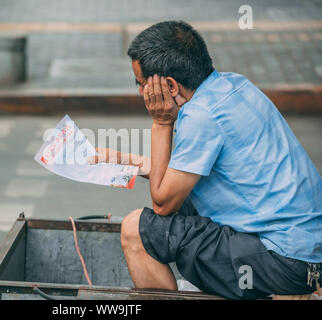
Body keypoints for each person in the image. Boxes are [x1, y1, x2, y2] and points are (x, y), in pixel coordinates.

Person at [89, 21, 321, 299]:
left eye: (141, 84)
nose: (141, 93)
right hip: (306, 252)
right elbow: (183, 173)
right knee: (186, 200)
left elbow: (162, 203)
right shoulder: (233, 85)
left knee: (136, 229)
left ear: (170, 85)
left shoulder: (201, 116)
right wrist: (119, 160)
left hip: (282, 261)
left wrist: (161, 123)